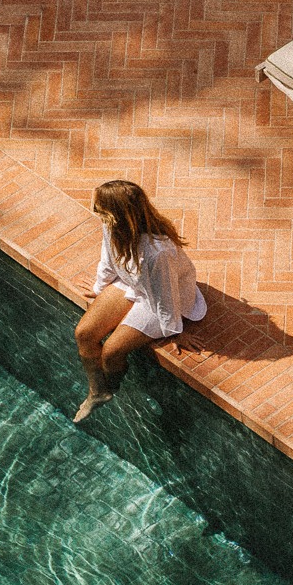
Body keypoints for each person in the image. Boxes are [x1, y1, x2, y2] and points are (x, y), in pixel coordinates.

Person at [73, 180, 206, 422]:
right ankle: (98, 391)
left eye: (99, 209)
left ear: (117, 215)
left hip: (160, 300)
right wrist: (100, 288)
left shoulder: (158, 253)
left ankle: (113, 387)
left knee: (111, 353)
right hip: (133, 283)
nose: (95, 212)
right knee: (84, 333)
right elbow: (108, 259)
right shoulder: (111, 225)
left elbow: (166, 299)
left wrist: (175, 332)